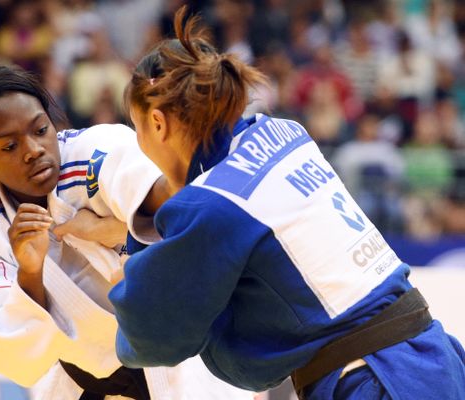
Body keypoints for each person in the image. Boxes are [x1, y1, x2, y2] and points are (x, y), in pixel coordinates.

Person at [107, 8, 465, 399]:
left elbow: (155, 337)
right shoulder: (285, 131)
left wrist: (130, 277)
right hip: (433, 356)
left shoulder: (210, 204)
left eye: (136, 128)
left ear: (157, 123)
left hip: (375, 381)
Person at [0, 65, 253, 400]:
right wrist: (30, 274)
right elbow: (16, 359)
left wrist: (116, 230)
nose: (33, 149)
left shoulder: (94, 151)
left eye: (40, 129)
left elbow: (177, 207)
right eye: (9, 147)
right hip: (89, 382)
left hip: (182, 360)